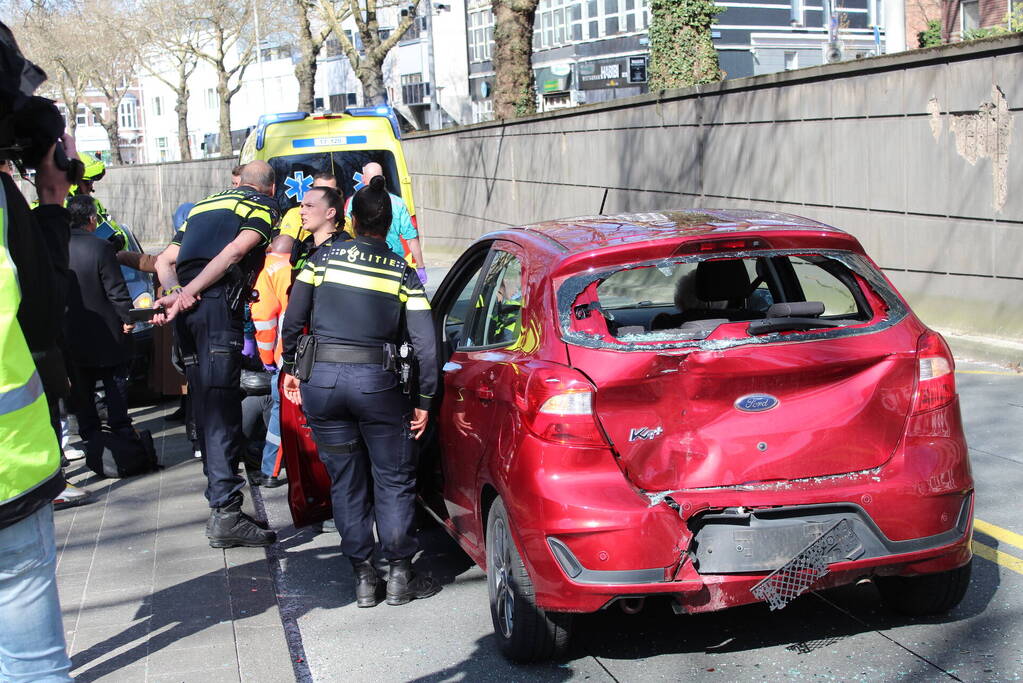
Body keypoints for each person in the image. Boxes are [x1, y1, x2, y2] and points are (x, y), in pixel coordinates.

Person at [280, 175, 439, 608]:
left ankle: (364, 577)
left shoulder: (320, 261)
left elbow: (294, 320)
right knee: (393, 478)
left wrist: (292, 367)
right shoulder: (402, 271)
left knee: (346, 481)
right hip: (379, 388)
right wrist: (425, 400)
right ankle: (400, 574)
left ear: (350, 218)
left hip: (324, 386)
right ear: (389, 225)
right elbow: (426, 343)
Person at [0, 20, 75, 679]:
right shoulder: (3, 204)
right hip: (6, 476)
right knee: (32, 661)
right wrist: (49, 200)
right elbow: (45, 319)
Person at [152, 161, 280, 548]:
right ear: (269, 189)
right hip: (213, 309)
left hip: (186, 317)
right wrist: (192, 292)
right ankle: (225, 513)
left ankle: (222, 507)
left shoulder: (203, 205)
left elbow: (163, 261)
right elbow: (235, 253)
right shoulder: (261, 204)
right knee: (222, 409)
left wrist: (175, 292)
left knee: (205, 409)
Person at [251, 187, 345, 488]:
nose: (301, 211)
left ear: (331, 213)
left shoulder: (343, 250)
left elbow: (269, 316)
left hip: (327, 352)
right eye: (300, 206)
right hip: (303, 351)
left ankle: (318, 485)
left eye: (308, 206)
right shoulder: (303, 250)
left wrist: (274, 360)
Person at [63, 195, 135, 441]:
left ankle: (90, 437)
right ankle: (120, 430)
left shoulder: (57, 249)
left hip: (71, 331)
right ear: (92, 219)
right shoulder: (101, 247)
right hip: (106, 332)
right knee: (114, 383)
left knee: (81, 387)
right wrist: (128, 317)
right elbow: (116, 290)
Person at [344, 162, 427, 284]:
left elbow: (348, 233)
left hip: (362, 262)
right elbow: (411, 238)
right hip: (395, 264)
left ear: (363, 179)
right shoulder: (398, 203)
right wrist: (420, 267)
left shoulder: (354, 201)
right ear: (383, 179)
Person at [277, 171, 338, 246]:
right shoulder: (295, 215)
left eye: (331, 191)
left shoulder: (345, 220)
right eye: (320, 191)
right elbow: (287, 246)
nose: (325, 195)